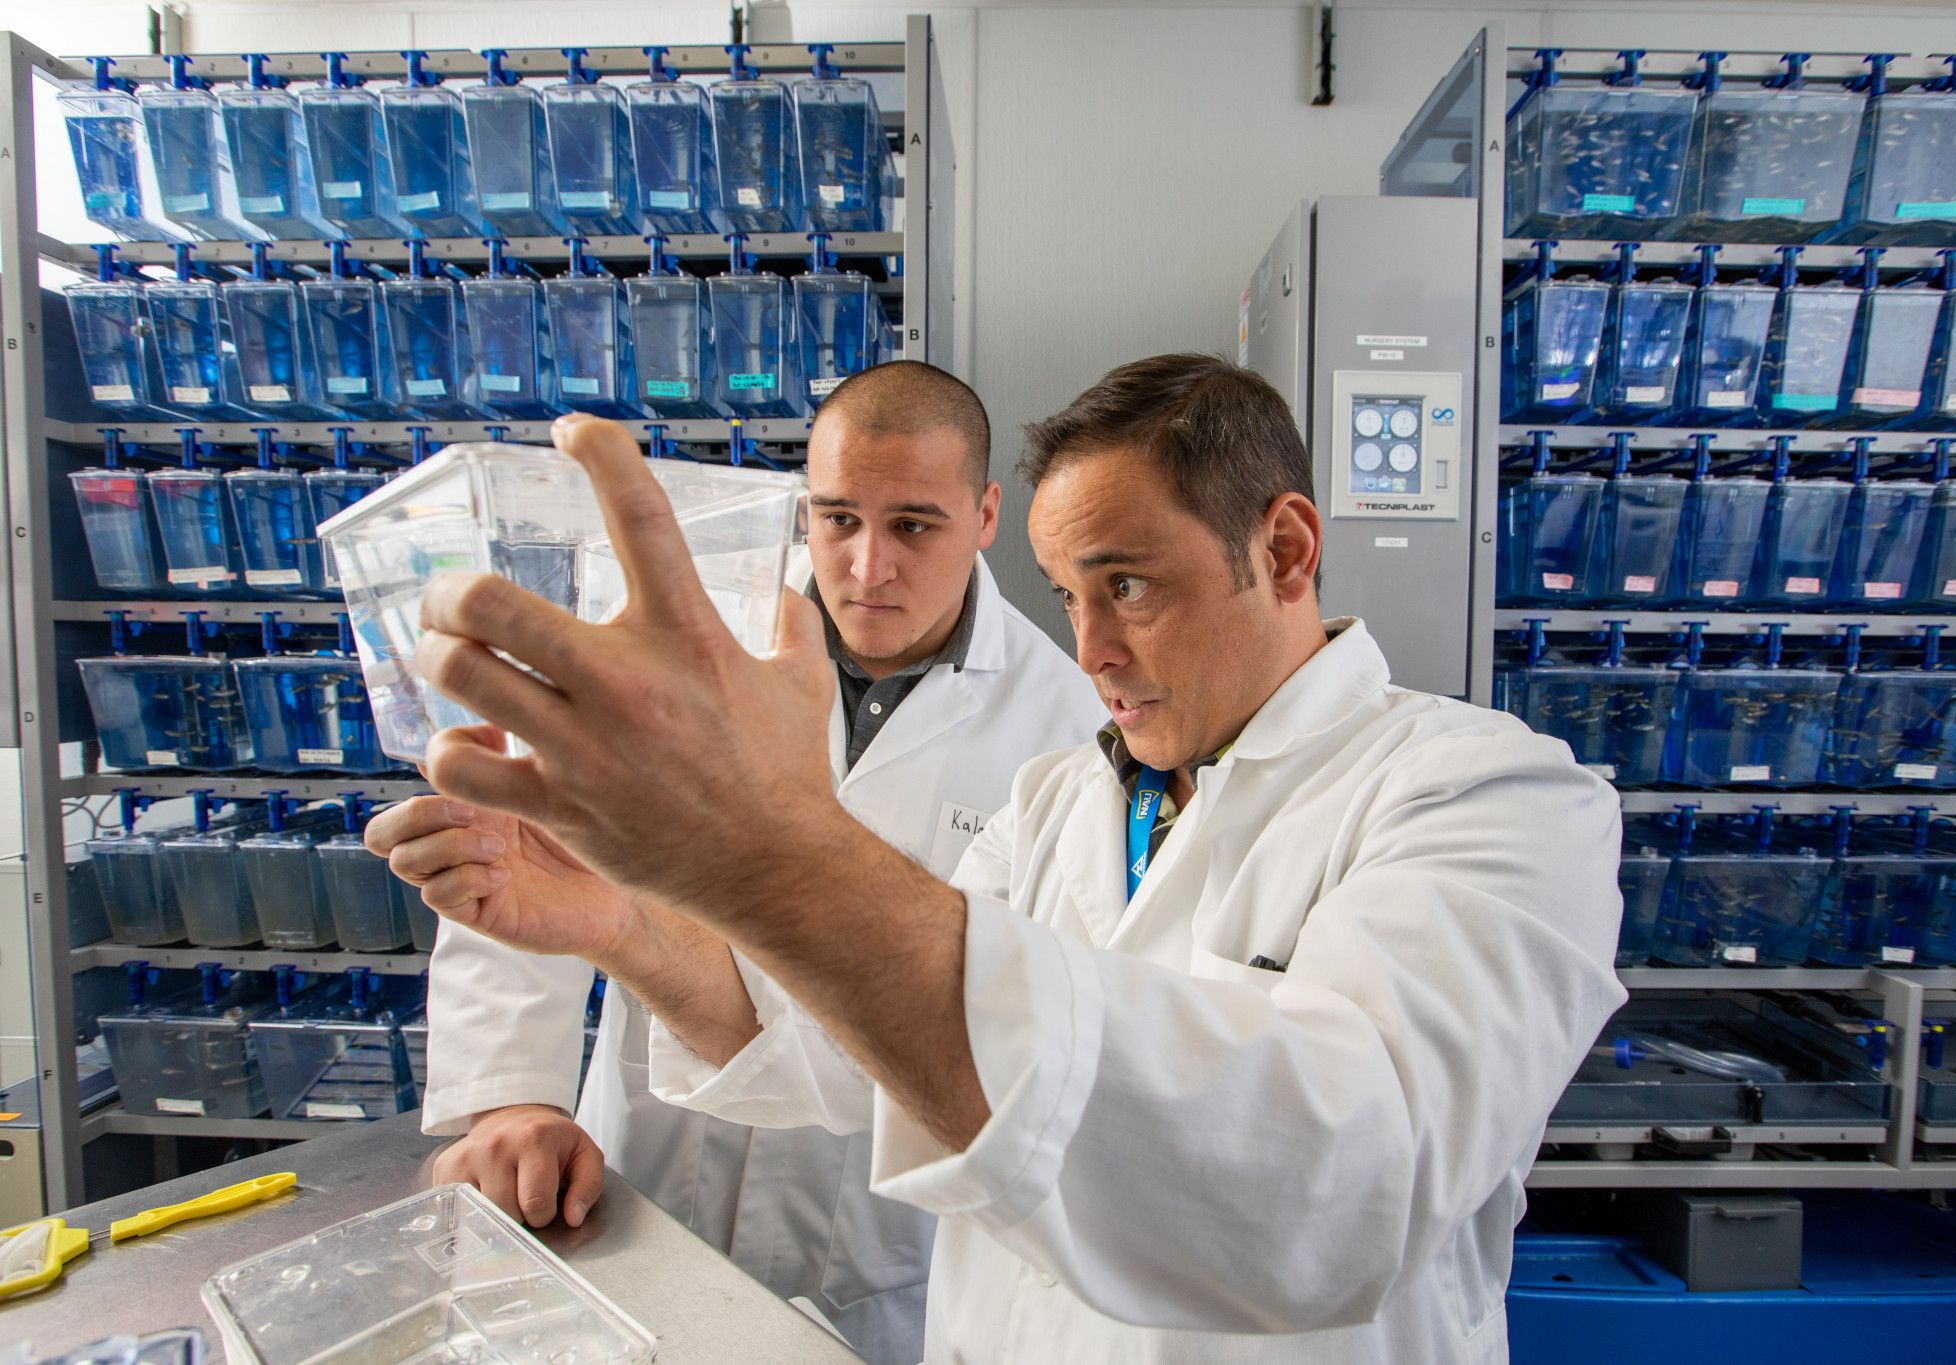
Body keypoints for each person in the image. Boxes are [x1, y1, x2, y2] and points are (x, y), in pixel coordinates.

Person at [375, 353, 1625, 1363]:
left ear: (1286, 550)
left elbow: (1329, 1189)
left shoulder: (1491, 796)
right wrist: (616, 929)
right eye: (1069, 595)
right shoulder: (1059, 801)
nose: (1089, 651)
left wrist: (762, 852)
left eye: (1126, 585)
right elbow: (843, 1061)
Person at [376, 361, 1104, 1364]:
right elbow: (534, 852)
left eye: (913, 526)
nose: (867, 566)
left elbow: (996, 1034)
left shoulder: (1066, 724)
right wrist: (512, 1098)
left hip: (873, 1253)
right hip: (635, 1185)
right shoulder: (692, 636)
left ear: (984, 516)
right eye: (838, 519)